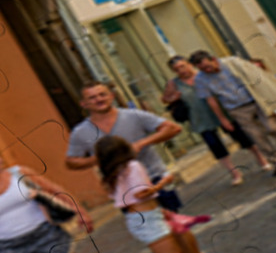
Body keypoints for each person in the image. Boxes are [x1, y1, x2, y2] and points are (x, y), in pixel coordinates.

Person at [96, 136, 203, 253]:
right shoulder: (132, 166)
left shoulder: (113, 175)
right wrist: (163, 183)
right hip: (147, 218)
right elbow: (141, 193)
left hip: (142, 217)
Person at [66, 81, 187, 211]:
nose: (99, 99)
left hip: (154, 177)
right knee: (146, 229)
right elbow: (72, 162)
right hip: (123, 188)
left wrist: (141, 144)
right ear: (83, 104)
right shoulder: (80, 132)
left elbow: (173, 128)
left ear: (111, 96)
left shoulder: (134, 115)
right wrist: (101, 158)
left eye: (102, 95)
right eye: (92, 97)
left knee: (177, 224)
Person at [189, 51, 276, 176]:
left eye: (208, 66)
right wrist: (222, 119)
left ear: (213, 59)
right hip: (236, 108)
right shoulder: (201, 79)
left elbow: (259, 78)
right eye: (203, 69)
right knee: (257, 136)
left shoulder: (233, 63)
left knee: (274, 128)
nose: (207, 70)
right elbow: (210, 100)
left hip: (256, 100)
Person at [162, 55, 257, 186]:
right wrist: (174, 97)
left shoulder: (202, 75)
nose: (181, 70)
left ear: (189, 64)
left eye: (182, 66)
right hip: (200, 119)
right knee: (216, 146)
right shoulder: (174, 83)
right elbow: (165, 99)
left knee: (242, 136)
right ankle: (234, 173)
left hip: (221, 113)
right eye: (177, 69)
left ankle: (262, 159)